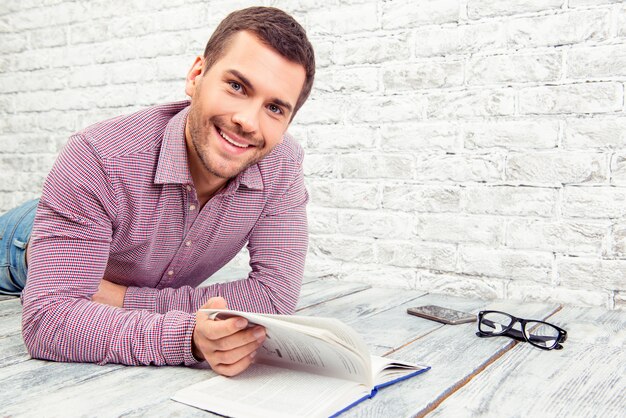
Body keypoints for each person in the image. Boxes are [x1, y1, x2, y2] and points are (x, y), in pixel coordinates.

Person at [0, 6, 315, 377]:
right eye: (236, 86)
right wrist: (189, 337)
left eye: (275, 108)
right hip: (25, 240)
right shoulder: (97, 157)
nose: (247, 121)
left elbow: (274, 296)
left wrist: (122, 299)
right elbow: (48, 321)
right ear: (197, 75)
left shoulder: (283, 164)